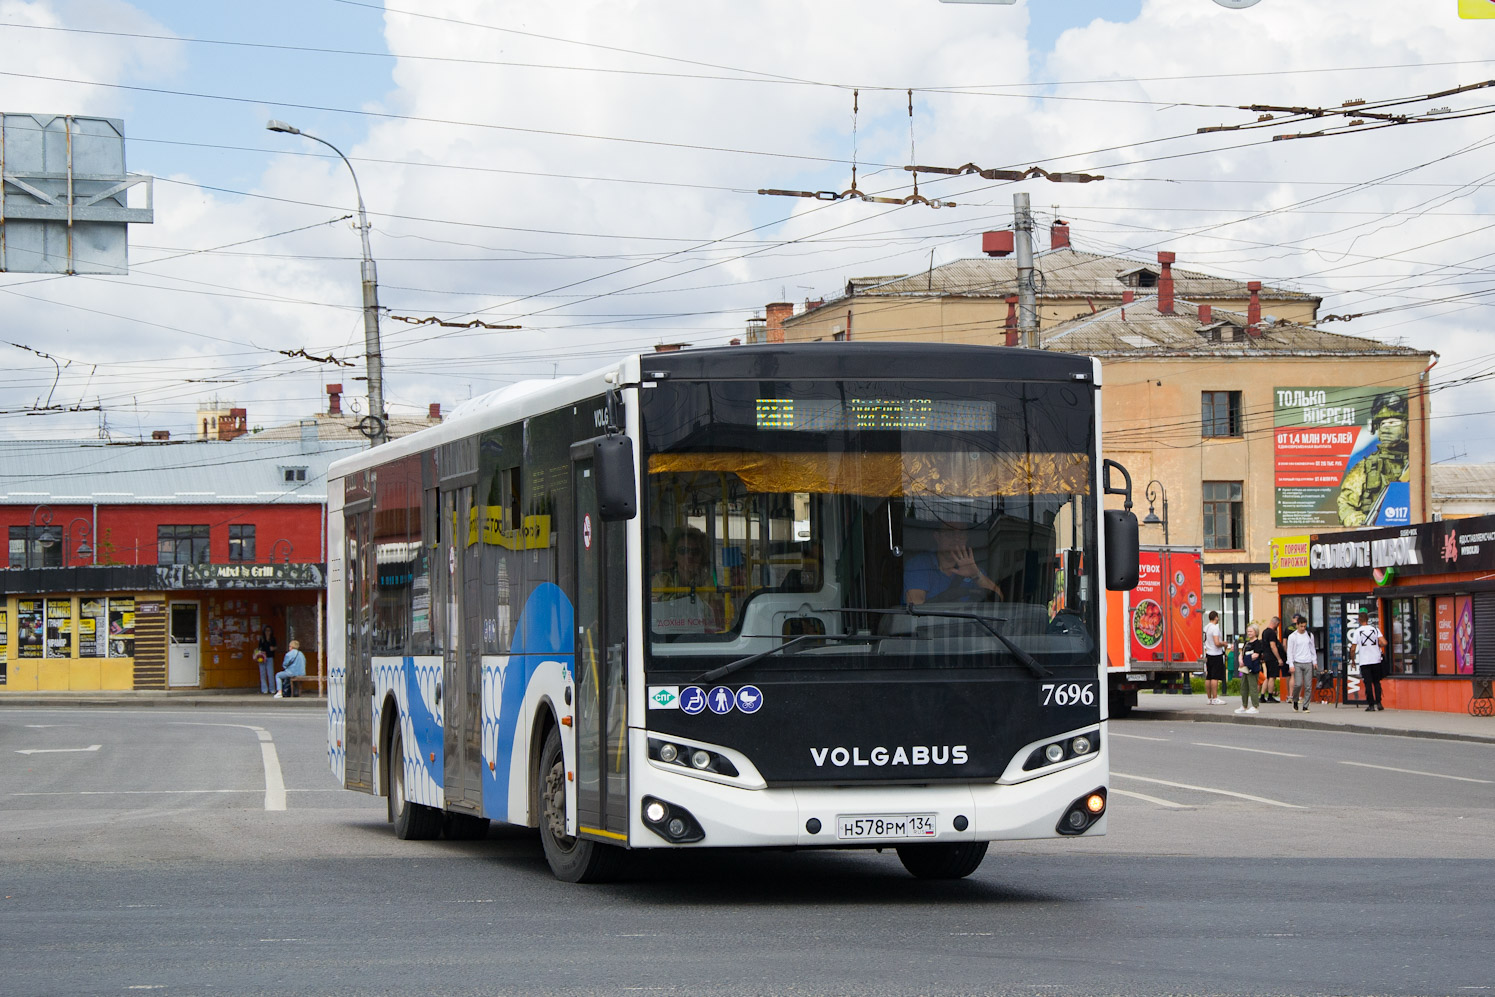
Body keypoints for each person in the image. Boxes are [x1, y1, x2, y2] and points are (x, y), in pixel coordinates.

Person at [1337, 392, 1410, 527]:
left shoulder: (1414, 466)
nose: (1387, 427)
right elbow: (1345, 504)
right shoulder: (1364, 467)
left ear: (1405, 425)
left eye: (1393, 422)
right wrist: (1359, 522)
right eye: (1383, 423)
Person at [904, 524, 1004, 605]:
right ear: (937, 537)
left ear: (966, 538)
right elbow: (915, 605)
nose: (956, 539)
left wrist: (976, 575)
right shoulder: (920, 564)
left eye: (961, 534)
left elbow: (999, 600)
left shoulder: (971, 567)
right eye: (950, 533)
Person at [1348, 609, 1387, 711]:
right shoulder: (1375, 629)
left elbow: (1353, 649)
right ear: (1368, 619)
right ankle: (1379, 703)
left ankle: (1371, 705)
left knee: (1368, 683)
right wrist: (1378, 645)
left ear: (1359, 620)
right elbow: (1384, 642)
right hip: (1376, 659)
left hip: (1365, 661)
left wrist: (1352, 660)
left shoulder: (1357, 632)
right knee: (1377, 682)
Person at [1286, 616, 1318, 712]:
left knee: (1308, 685)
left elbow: (1312, 648)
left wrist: (1314, 661)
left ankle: (1305, 706)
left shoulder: (1309, 635)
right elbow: (1290, 651)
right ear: (1297, 625)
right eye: (1301, 626)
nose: (1303, 628)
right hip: (1297, 662)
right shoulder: (1292, 637)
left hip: (1308, 661)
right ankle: (1295, 700)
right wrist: (1291, 664)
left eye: (1304, 626)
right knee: (1298, 684)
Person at [1235, 624, 1263, 715]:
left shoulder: (1258, 643)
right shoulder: (1247, 643)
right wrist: (1240, 660)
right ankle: (1244, 705)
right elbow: (1242, 653)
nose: (1249, 633)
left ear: (1255, 632)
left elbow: (1256, 655)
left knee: (1253, 687)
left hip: (1252, 667)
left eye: (1251, 631)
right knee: (1244, 687)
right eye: (1248, 631)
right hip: (1245, 668)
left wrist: (1245, 661)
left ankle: (1255, 706)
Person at [1260, 616, 1286, 703]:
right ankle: (1270, 696)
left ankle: (1262, 695)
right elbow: (1273, 646)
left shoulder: (1264, 632)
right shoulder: (1271, 633)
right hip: (1272, 657)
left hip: (1267, 656)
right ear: (1276, 623)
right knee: (1272, 677)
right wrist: (1279, 658)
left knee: (1268, 677)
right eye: (1277, 625)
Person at [1202, 610, 1226, 705]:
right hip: (1216, 654)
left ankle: (1209, 698)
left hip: (1208, 653)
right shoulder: (1215, 628)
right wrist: (1223, 644)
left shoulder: (1206, 627)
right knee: (1215, 677)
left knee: (1209, 676)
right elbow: (1216, 642)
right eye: (1217, 617)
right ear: (1216, 617)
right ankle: (1215, 698)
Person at [254, 625, 278, 695]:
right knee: (262, 674)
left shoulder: (273, 639)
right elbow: (259, 648)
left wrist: (273, 648)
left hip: (270, 657)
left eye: (269, 630)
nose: (267, 632)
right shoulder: (262, 639)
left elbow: (276, 647)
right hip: (262, 658)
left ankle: (272, 689)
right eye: (266, 630)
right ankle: (264, 689)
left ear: (271, 632)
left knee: (270, 673)